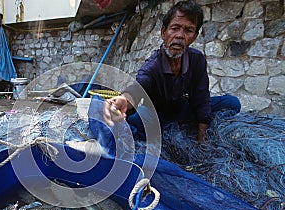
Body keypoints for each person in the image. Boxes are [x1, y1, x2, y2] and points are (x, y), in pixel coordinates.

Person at [103, 0, 241, 143]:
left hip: (184, 110)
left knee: (232, 103)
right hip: (158, 115)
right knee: (140, 117)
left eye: (188, 30)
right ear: (164, 32)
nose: (180, 35)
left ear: (194, 37)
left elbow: (201, 98)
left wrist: (202, 137)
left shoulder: (197, 59)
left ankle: (183, 127)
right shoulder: (152, 67)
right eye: (175, 28)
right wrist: (124, 100)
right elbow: (137, 90)